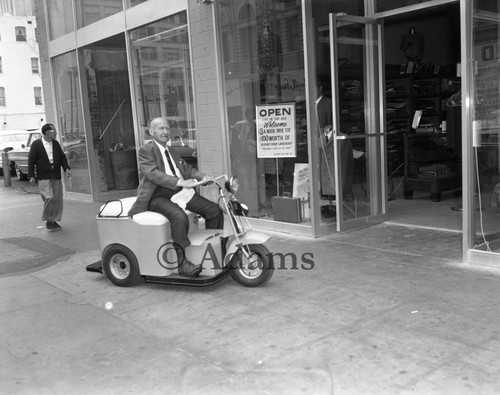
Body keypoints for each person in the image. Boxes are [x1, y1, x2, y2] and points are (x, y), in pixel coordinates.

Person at [128, 117, 223, 278]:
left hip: (180, 192)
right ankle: (182, 264)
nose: (165, 132)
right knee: (179, 217)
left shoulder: (173, 150)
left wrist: (203, 177)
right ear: (152, 132)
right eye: (160, 129)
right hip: (157, 196)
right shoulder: (146, 150)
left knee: (214, 210)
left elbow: (187, 169)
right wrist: (179, 182)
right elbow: (153, 174)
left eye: (167, 128)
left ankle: (212, 251)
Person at [315, 80, 354, 200]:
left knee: (328, 169)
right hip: (313, 138)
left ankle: (330, 194)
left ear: (320, 87)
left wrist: (323, 140)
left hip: (327, 140)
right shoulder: (310, 103)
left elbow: (333, 124)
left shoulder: (328, 103)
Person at [28, 123, 71, 231]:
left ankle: (54, 221)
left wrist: (66, 168)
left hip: (55, 173)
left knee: (57, 199)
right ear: (47, 133)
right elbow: (31, 161)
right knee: (49, 197)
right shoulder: (36, 144)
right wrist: (32, 176)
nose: (55, 133)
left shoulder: (55, 143)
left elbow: (62, 157)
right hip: (43, 175)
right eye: (53, 131)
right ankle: (48, 220)